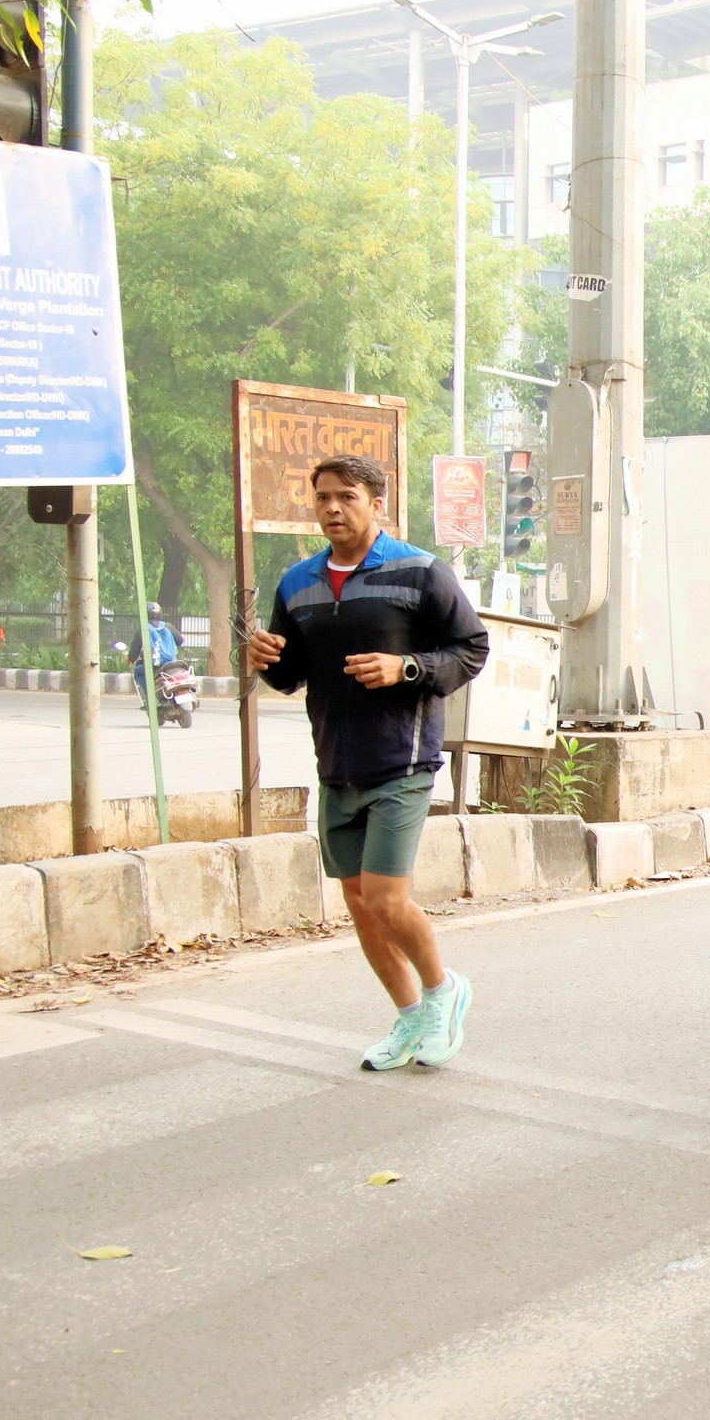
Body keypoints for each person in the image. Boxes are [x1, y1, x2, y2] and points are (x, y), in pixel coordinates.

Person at [247, 455, 490, 1071]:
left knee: (384, 897)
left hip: (401, 761)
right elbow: (289, 673)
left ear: (377, 504)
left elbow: (471, 647)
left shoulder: (419, 571)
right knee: (358, 902)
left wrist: (405, 667)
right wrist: (264, 658)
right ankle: (409, 1017)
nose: (332, 507)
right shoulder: (297, 583)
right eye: (322, 497)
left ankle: (443, 991)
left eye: (347, 496)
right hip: (336, 762)